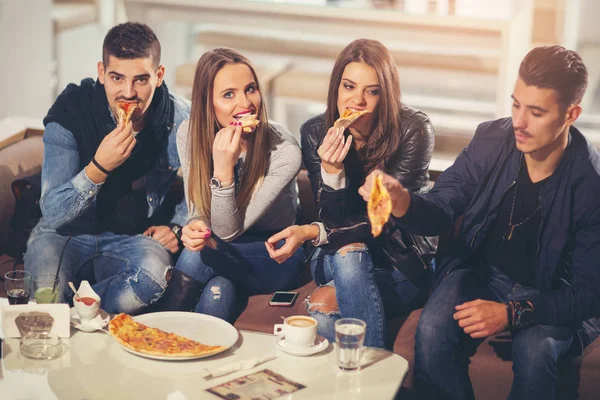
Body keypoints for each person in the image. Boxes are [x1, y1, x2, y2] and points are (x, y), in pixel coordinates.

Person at [359, 45, 600, 399]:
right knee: (433, 330)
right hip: (483, 272)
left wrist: (511, 313)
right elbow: (443, 207)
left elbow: (587, 294)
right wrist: (404, 202)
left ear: (571, 114)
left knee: (535, 353)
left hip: (552, 290)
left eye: (535, 112)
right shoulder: (491, 140)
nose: (519, 122)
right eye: (516, 104)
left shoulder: (591, 184)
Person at [267, 39, 436, 348]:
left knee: (322, 309)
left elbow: (388, 221)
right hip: (335, 257)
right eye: (349, 86)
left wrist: (311, 232)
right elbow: (331, 218)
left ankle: (367, 370)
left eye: (372, 91)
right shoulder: (315, 132)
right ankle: (377, 377)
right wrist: (332, 171)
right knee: (347, 254)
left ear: (386, 95)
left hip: (399, 261)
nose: (357, 100)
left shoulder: (413, 130)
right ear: (336, 87)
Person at [24, 22, 191, 314]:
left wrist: (176, 228)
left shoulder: (181, 121)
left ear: (159, 76)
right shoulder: (69, 112)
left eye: (141, 79)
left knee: (153, 277)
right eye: (116, 77)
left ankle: (75, 316)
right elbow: (53, 213)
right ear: (101, 72)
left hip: (134, 237)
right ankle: (67, 315)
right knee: (45, 291)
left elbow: (202, 189)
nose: (128, 92)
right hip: (64, 233)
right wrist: (99, 168)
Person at [157, 48, 305, 322]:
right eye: (229, 94)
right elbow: (200, 209)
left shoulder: (284, 151)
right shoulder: (189, 134)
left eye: (250, 89)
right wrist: (194, 227)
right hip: (221, 251)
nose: (245, 103)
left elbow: (226, 232)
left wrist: (224, 169)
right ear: (207, 104)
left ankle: (154, 330)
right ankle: (195, 359)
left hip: (275, 254)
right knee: (218, 290)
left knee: (198, 257)